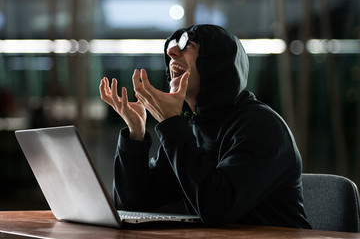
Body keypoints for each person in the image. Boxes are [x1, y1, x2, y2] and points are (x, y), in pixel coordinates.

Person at [99, 24, 311, 228]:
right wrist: (136, 134)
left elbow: (216, 208)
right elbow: (133, 205)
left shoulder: (262, 127)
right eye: (173, 45)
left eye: (187, 45)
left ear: (217, 62)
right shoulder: (191, 124)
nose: (171, 52)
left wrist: (171, 123)